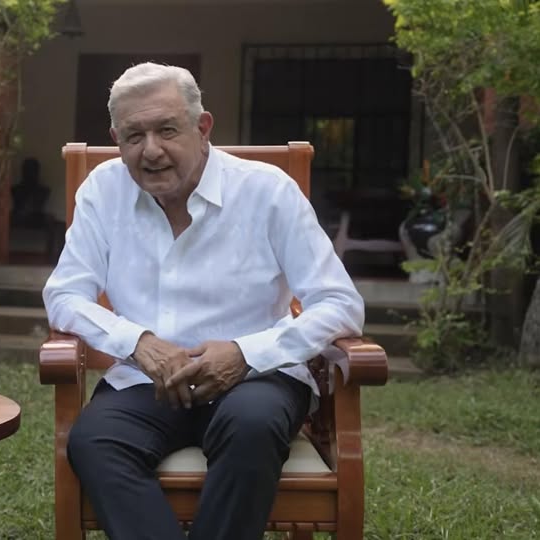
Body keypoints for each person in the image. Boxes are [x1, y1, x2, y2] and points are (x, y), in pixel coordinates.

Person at [42, 62, 365, 540]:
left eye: (167, 130)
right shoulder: (103, 190)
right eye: (134, 136)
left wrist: (244, 354)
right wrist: (139, 343)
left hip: (257, 379)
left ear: (203, 127)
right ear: (116, 138)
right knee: (94, 440)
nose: (151, 150)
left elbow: (339, 303)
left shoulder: (267, 190)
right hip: (145, 380)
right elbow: (65, 293)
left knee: (251, 425)